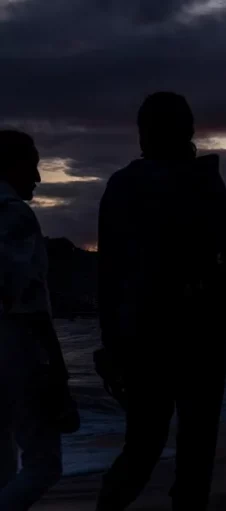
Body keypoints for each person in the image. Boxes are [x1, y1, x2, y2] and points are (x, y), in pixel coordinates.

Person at [96, 91, 226, 511]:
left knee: (145, 448)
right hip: (197, 336)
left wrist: (112, 345)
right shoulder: (205, 182)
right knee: (193, 454)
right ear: (187, 132)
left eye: (145, 130)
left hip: (149, 338)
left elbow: (110, 277)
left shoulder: (126, 186)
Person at [0, 130, 79, 511]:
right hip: (18, 348)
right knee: (44, 465)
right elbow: (28, 300)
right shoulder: (13, 214)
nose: (38, 177)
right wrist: (57, 367)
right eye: (31, 165)